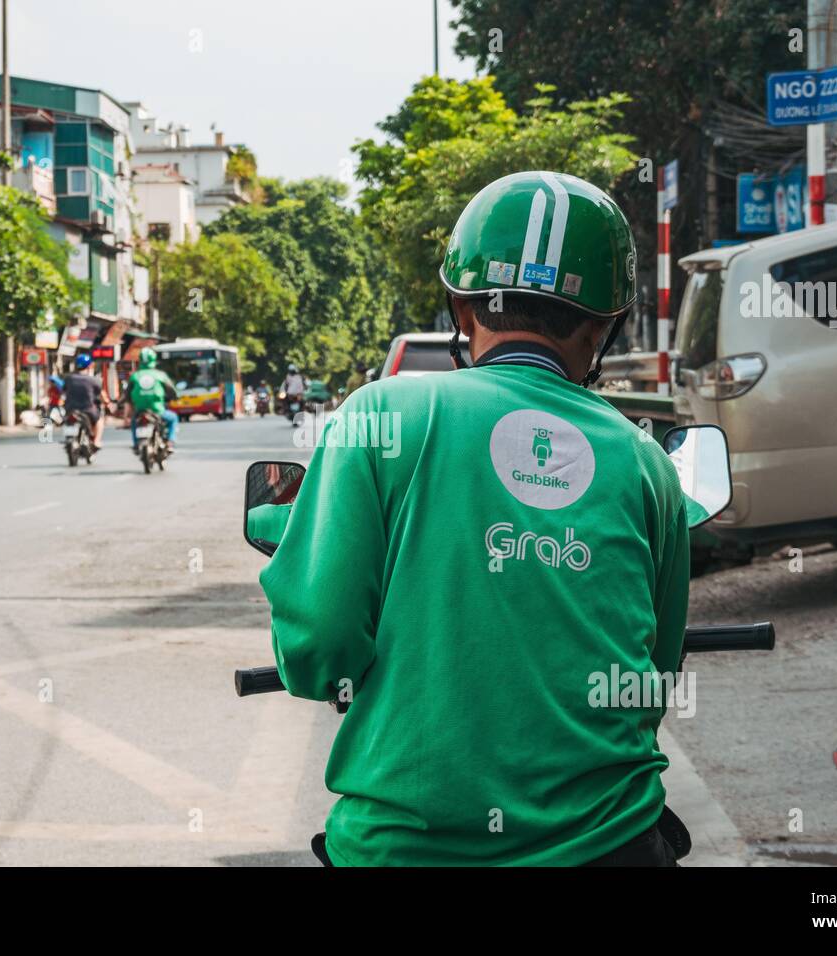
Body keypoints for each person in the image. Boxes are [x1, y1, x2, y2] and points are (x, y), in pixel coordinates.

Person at [257, 171, 690, 867]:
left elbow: (320, 653)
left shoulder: (380, 416)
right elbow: (657, 673)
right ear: (606, 323)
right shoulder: (646, 462)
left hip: (406, 848)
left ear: (462, 310)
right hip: (612, 843)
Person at [128, 347, 179, 450]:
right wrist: (175, 397)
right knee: (173, 418)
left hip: (140, 411)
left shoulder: (135, 376)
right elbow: (172, 391)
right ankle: (170, 441)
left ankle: (136, 444)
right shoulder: (160, 375)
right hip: (157, 410)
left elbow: (126, 394)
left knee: (134, 422)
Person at [62, 353, 107, 451]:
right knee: (99, 420)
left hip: (70, 409)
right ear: (90, 365)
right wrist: (108, 403)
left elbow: (64, 391)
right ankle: (96, 441)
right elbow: (101, 395)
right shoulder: (94, 380)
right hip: (88, 409)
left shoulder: (69, 378)